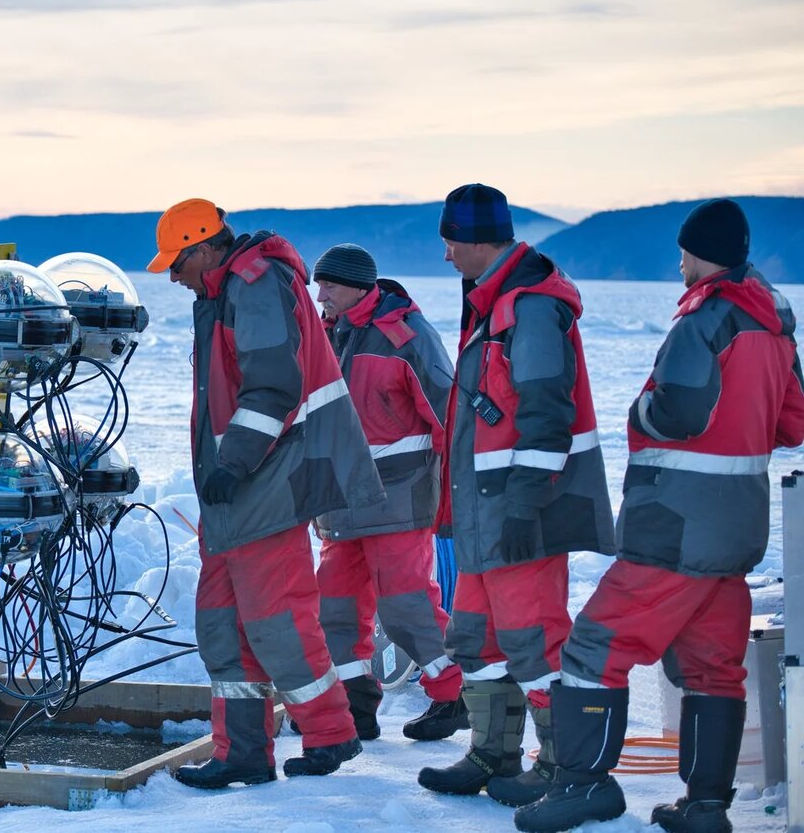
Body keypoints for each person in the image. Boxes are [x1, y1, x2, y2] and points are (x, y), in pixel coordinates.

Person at [515, 199, 804, 833]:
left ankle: (584, 785)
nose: (678, 265)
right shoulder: (774, 324)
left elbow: (677, 412)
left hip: (673, 524)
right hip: (738, 529)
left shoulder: (704, 319)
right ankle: (705, 807)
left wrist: (638, 412)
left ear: (700, 253)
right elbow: (794, 423)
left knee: (593, 646)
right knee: (711, 666)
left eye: (682, 253)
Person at [147, 198, 385, 789]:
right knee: (222, 623)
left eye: (177, 265)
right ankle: (244, 751)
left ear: (204, 248)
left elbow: (273, 387)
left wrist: (233, 464)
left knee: (277, 618)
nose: (174, 279)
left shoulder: (255, 283)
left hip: (267, 479)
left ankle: (331, 733)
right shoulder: (224, 292)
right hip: (237, 489)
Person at [418, 183, 615, 807]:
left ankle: (564, 767)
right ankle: (491, 753)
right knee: (474, 638)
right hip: (483, 513)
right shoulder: (492, 302)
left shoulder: (528, 307)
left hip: (515, 513)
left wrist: (527, 505)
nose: (446, 256)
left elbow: (545, 414)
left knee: (535, 641)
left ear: (476, 241)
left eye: (450, 242)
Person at [310, 243, 467, 742]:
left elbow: (450, 414)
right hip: (340, 504)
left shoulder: (407, 335)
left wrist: (451, 496)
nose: (321, 295)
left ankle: (453, 697)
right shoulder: (326, 335)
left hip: (399, 501)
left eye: (329, 285)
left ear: (358, 284)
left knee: (406, 607)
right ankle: (357, 708)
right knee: (334, 609)